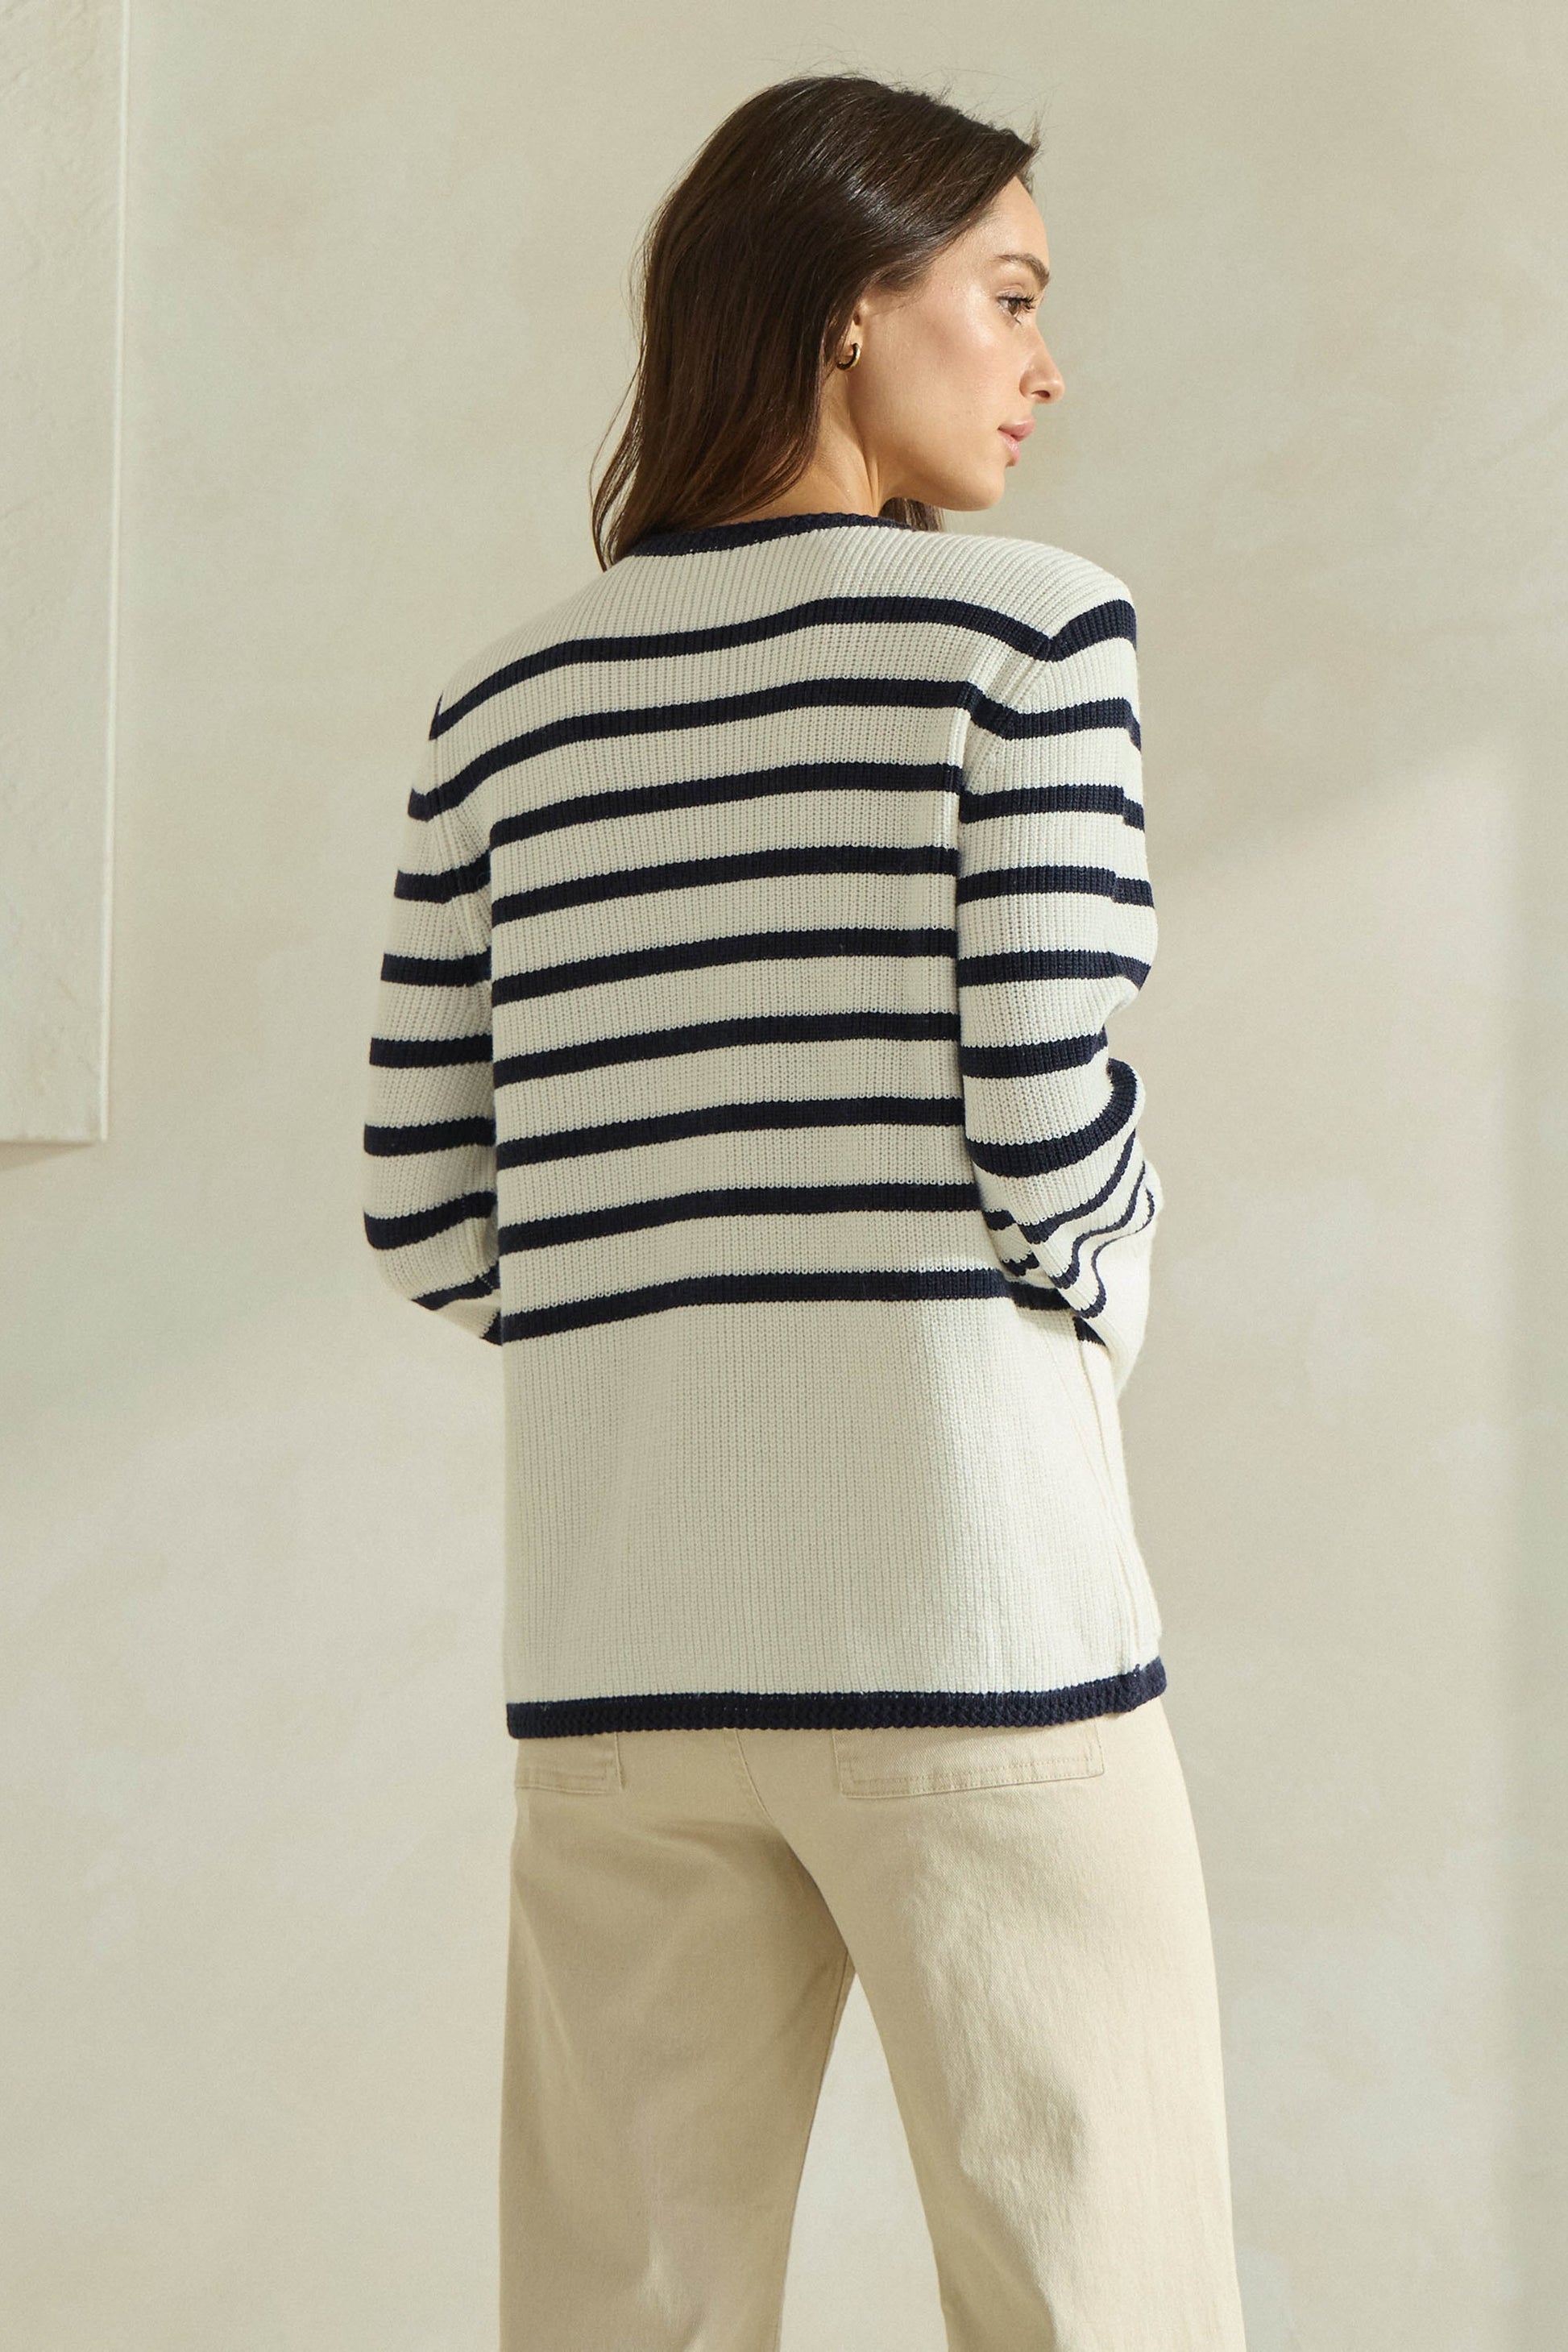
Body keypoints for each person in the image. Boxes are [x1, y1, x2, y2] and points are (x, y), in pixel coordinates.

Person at [363, 68, 1248, 2352]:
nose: (1046, 367)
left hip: (621, 1657)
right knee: (1098, 2303)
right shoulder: (1028, 637)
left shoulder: (498, 707)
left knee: (618, 2320)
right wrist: (1107, 1278)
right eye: (1009, 298)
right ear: (852, 303)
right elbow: (1044, 1115)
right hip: (979, 1635)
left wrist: (678, 1322)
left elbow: (426, 1209)